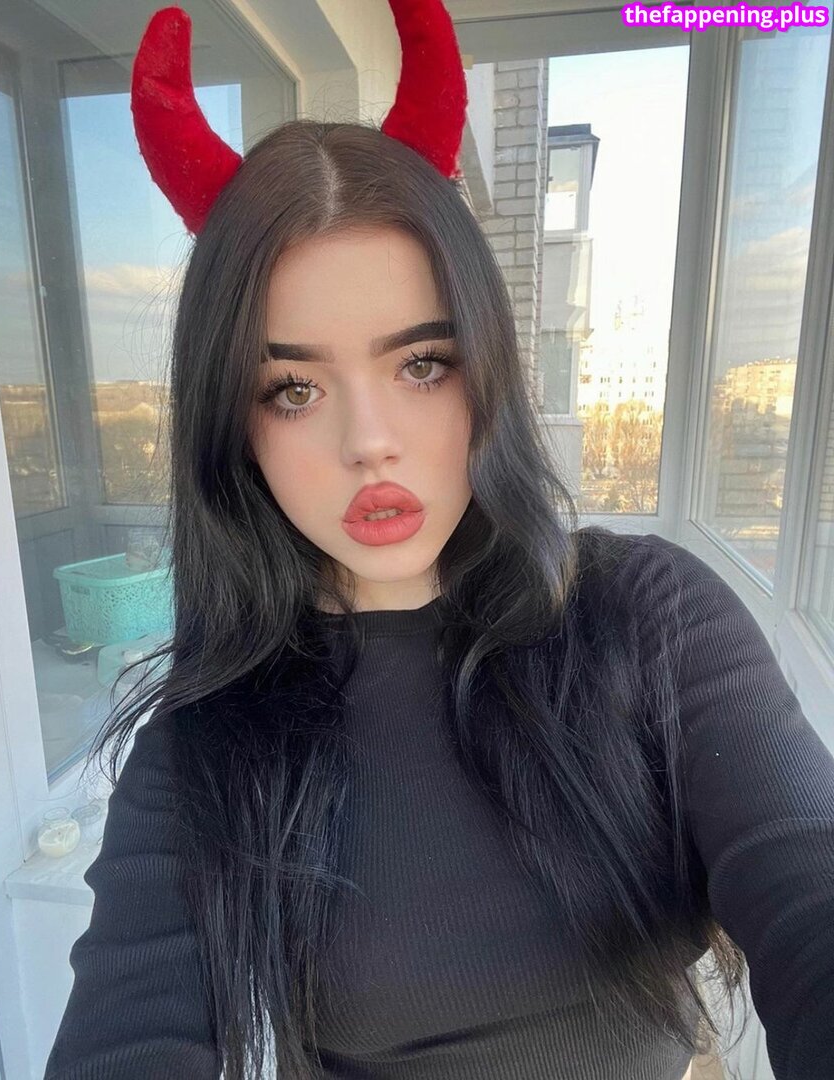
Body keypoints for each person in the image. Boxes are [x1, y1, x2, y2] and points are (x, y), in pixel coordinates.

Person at [43, 3, 834, 1079]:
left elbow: (808, 881)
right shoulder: (206, 742)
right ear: (235, 426)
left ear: (486, 365)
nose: (368, 442)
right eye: (293, 387)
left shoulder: (651, 615)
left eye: (421, 364)